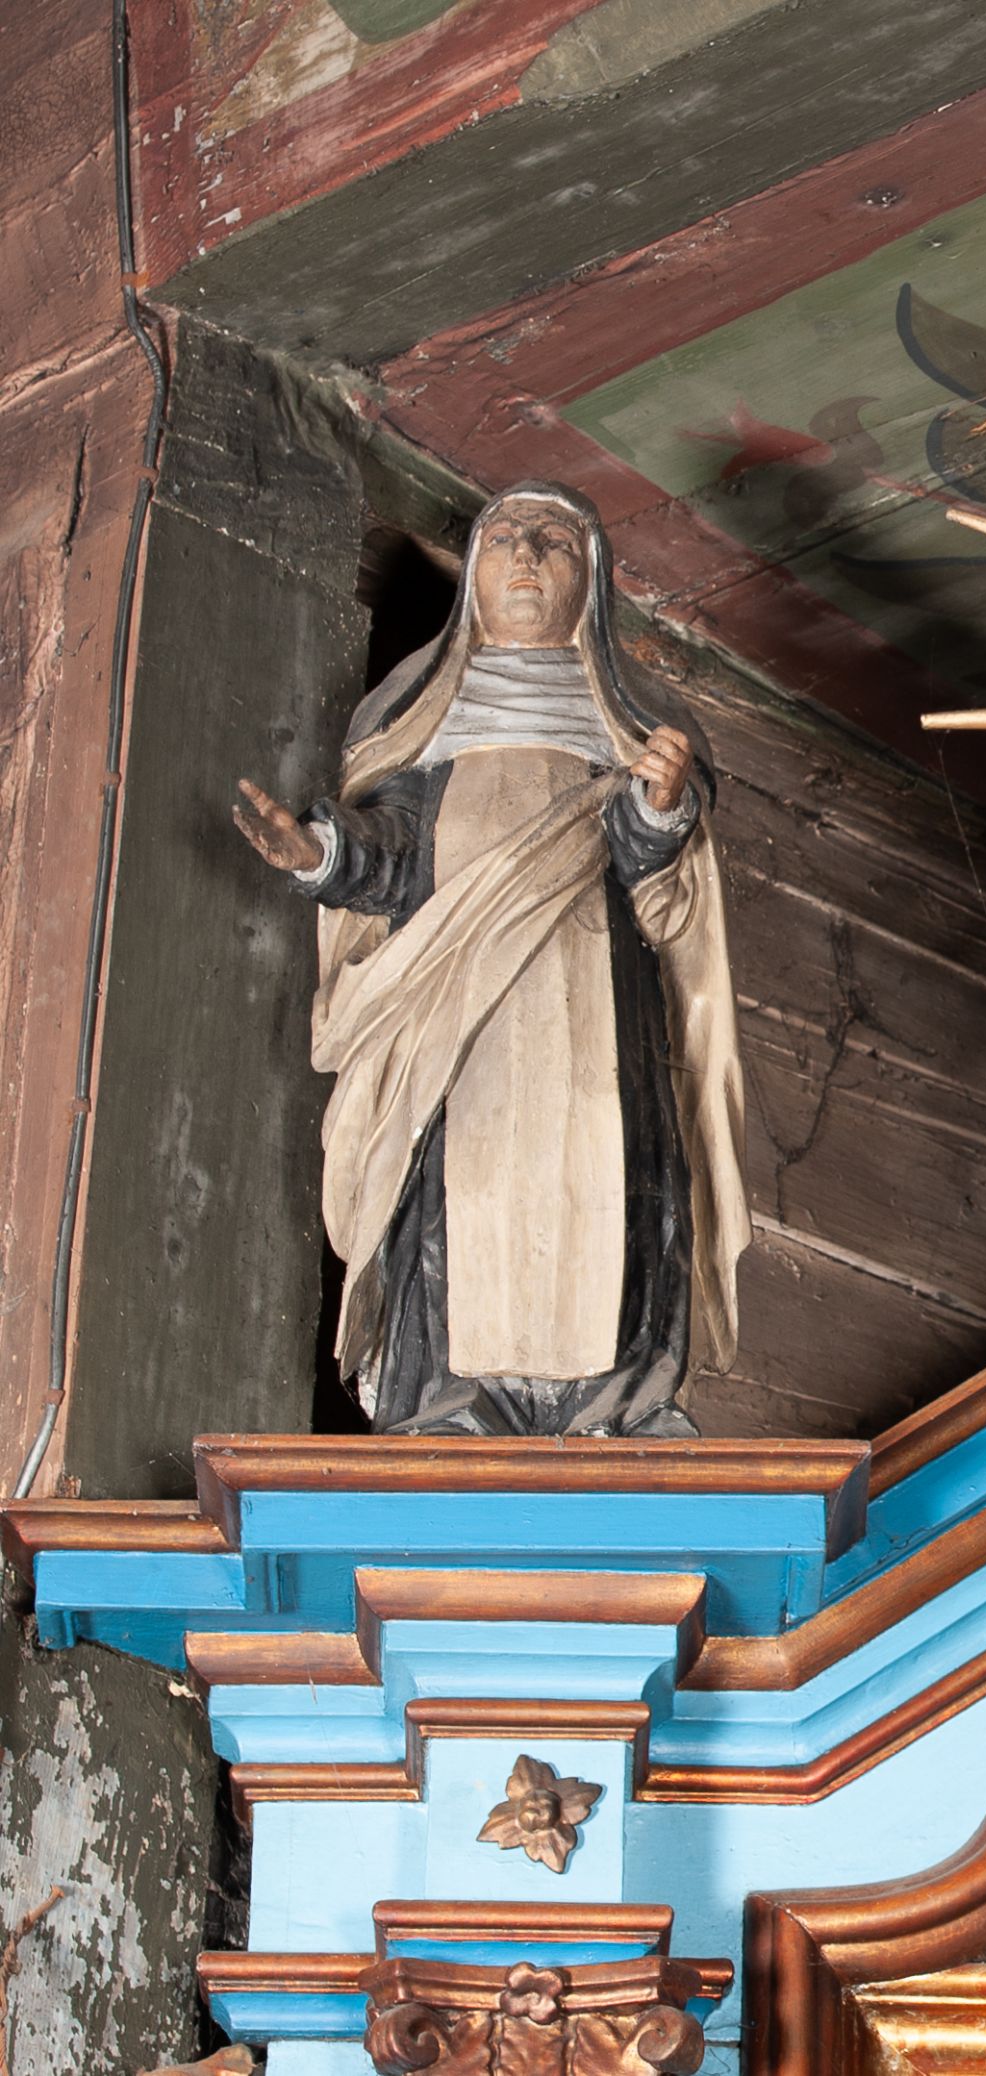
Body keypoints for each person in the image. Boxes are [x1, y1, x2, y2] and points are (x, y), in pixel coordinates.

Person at [231, 483, 746, 1435]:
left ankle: (616, 1403)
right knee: (455, 1192)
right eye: (504, 539)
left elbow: (655, 876)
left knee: (614, 1180)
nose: (526, 557)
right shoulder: (421, 720)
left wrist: (660, 805)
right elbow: (391, 854)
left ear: (589, 583)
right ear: (472, 576)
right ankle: (454, 1401)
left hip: (596, 1007)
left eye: (553, 542)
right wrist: (318, 855)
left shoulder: (630, 722)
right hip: (457, 1013)